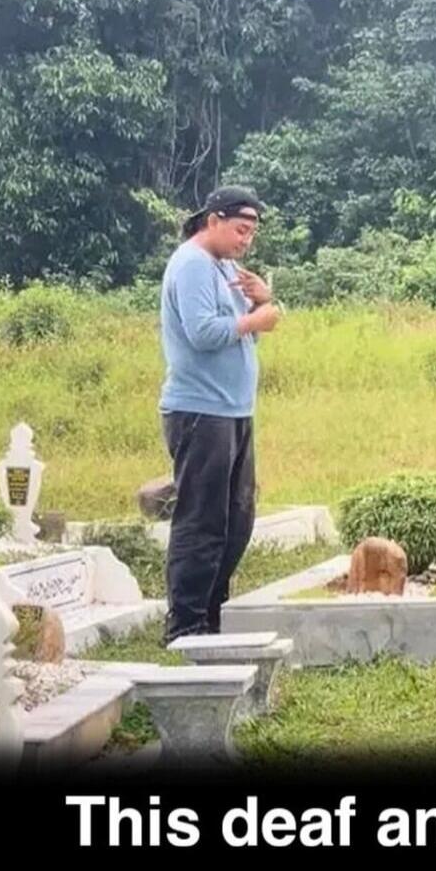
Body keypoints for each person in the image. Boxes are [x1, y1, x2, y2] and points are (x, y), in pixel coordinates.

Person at [158, 185, 282, 642]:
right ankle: (185, 625)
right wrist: (260, 317)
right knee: (202, 521)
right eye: (240, 229)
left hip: (233, 410)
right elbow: (204, 334)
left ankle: (213, 614)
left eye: (251, 233)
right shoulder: (191, 265)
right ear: (213, 220)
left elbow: (239, 330)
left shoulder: (225, 267)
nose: (245, 240)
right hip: (199, 410)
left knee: (236, 519)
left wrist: (261, 299)